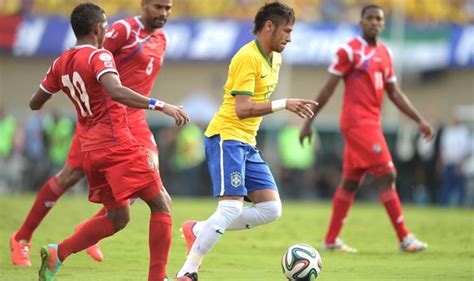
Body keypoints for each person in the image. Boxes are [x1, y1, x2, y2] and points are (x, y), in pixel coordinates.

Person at [29, 3, 188, 281]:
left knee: (118, 217)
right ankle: (157, 277)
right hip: (116, 143)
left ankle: (58, 253)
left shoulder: (60, 63)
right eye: (104, 25)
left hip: (90, 149)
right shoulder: (99, 56)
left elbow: (35, 103)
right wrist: (160, 105)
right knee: (162, 203)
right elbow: (116, 91)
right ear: (97, 28)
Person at [174, 3, 317, 280]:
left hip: (246, 143)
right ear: (268, 27)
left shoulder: (275, 59)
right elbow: (242, 108)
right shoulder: (246, 57)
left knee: (272, 209)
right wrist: (284, 103)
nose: (290, 37)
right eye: (286, 31)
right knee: (231, 207)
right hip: (226, 137)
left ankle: (198, 229)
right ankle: (188, 272)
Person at [300, 4, 433, 253]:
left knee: (350, 182)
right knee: (388, 174)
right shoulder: (349, 51)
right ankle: (405, 238)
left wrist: (419, 119)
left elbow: (394, 92)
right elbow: (328, 88)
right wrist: (309, 121)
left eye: (378, 19)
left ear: (383, 24)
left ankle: (330, 240)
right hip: (356, 123)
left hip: (372, 122)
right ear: (361, 22)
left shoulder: (385, 53)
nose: (374, 22)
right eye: (369, 18)